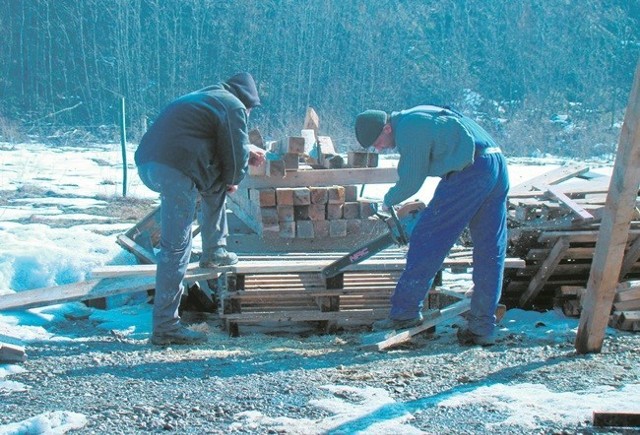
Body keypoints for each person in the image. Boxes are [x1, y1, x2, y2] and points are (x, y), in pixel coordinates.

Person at [354, 105, 509, 346]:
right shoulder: (424, 114)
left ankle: (404, 313)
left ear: (387, 128)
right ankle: (482, 327)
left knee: (428, 238)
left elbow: (412, 179)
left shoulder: (409, 126)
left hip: (471, 171)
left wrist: (388, 201)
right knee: (490, 249)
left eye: (378, 142)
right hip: (496, 164)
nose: (379, 148)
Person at [135, 72, 266, 345]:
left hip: (150, 163)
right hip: (174, 167)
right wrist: (234, 179)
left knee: (215, 185)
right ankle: (166, 328)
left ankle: (214, 252)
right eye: (251, 109)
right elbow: (232, 147)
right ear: (248, 100)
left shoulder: (205, 97)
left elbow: (213, 142)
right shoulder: (233, 105)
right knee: (176, 247)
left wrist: (230, 172)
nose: (249, 113)